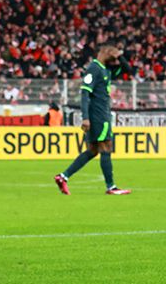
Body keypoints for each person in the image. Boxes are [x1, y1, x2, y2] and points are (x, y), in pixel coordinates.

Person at [53, 44, 133, 195]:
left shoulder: (106, 69)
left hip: (100, 114)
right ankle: (111, 187)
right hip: (98, 116)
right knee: (106, 147)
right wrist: (85, 118)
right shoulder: (94, 68)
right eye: (111, 52)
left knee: (92, 151)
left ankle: (63, 177)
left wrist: (119, 55)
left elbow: (128, 70)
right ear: (103, 52)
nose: (114, 56)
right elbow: (85, 93)